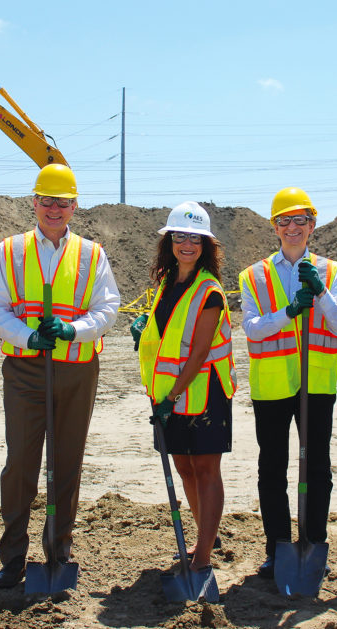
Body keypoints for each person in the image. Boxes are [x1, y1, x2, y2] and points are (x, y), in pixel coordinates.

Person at [0, 164, 120, 588]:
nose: (55, 209)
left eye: (63, 203)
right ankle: (13, 555)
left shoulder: (92, 254)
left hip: (77, 370)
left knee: (66, 463)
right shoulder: (10, 251)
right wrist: (28, 337)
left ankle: (58, 549)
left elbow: (108, 308)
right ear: (34, 202)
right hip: (25, 370)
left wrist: (72, 331)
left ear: (74, 206)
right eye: (47, 201)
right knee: (21, 464)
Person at [237, 187, 337, 578]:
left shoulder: (332, 271)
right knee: (272, 469)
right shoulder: (253, 275)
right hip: (271, 385)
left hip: (316, 385)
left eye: (300, 220)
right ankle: (278, 548)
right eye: (284, 221)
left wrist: (320, 293)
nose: (292, 228)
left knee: (317, 467)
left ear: (312, 225)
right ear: (274, 226)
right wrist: (288, 312)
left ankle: (314, 541)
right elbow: (252, 329)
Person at [130, 202, 237, 572]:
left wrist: (171, 397)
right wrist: (146, 331)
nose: (186, 244)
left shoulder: (209, 290)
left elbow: (200, 351)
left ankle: (204, 555)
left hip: (205, 392)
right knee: (184, 468)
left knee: (206, 469)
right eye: (180, 236)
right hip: (169, 394)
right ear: (170, 240)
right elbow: (169, 335)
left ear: (206, 244)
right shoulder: (167, 281)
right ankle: (203, 535)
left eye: (195, 237)